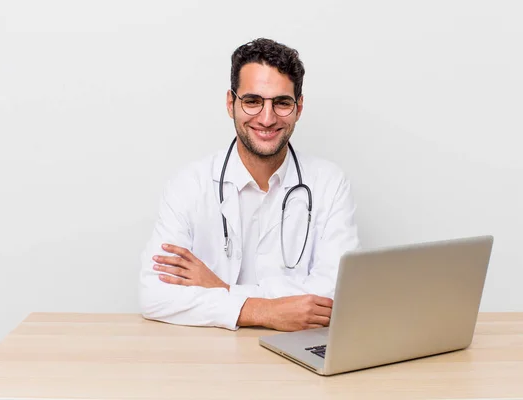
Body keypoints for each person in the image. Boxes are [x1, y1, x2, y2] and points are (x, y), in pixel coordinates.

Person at [139, 38, 359, 332]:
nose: (267, 119)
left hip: (300, 359)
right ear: (231, 104)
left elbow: (335, 297)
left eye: (281, 103)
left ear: (299, 107)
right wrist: (265, 311)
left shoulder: (329, 184)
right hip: (209, 359)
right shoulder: (189, 185)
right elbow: (154, 295)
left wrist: (222, 289)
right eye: (253, 101)